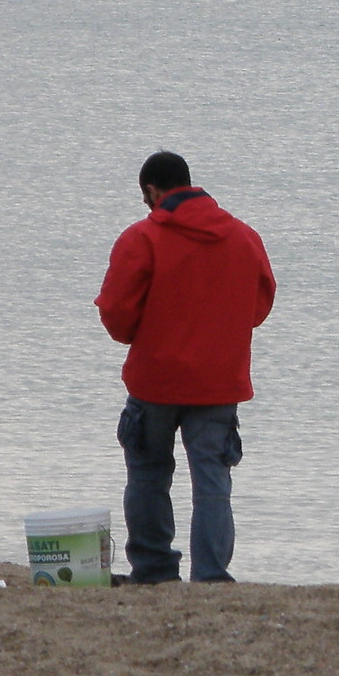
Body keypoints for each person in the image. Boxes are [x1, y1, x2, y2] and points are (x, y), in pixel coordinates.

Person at [94, 151, 275, 583]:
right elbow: (259, 305)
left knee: (148, 475)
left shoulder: (141, 239)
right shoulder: (244, 237)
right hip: (218, 381)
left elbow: (117, 314)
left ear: (152, 191)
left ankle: (154, 569)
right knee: (212, 479)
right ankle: (210, 575)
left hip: (155, 380)